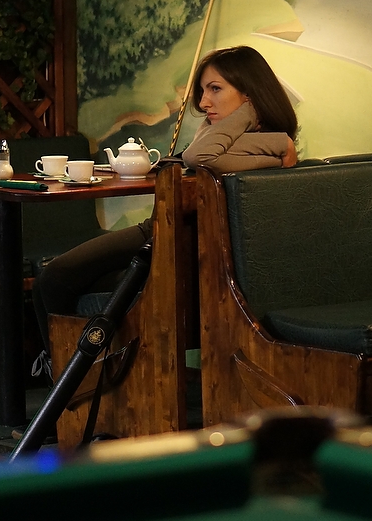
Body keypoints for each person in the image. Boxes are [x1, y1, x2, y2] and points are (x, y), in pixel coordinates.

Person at [30, 46, 298, 368]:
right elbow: (200, 152)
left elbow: (197, 157)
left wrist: (252, 116)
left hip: (172, 241)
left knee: (56, 278)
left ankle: (67, 375)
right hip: (160, 231)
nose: (204, 102)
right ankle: (65, 371)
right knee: (53, 279)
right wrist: (277, 141)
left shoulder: (251, 146)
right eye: (203, 91)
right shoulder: (253, 143)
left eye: (215, 89)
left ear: (250, 94)